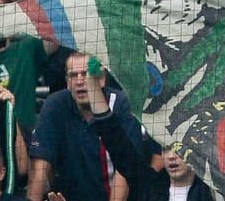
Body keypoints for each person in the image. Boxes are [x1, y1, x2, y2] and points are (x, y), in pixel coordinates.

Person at [79, 64, 213, 201]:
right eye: (166, 149)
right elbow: (114, 139)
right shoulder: (147, 185)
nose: (172, 156)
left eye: (178, 150)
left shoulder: (214, 192)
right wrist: (91, 83)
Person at [27, 53, 143, 201]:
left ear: (101, 79)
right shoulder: (55, 105)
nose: (80, 81)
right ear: (67, 82)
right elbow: (40, 166)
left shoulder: (121, 104)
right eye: (73, 75)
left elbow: (125, 170)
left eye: (86, 74)